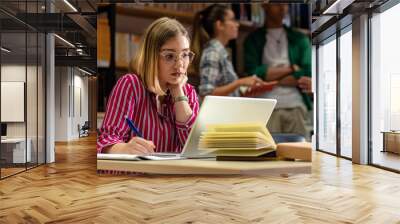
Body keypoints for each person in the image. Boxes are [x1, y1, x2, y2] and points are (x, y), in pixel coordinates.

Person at [97, 17, 199, 155]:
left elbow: (194, 148)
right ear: (151, 56)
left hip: (170, 175)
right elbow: (105, 140)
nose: (180, 64)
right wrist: (124, 149)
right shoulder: (130, 84)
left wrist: (177, 92)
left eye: (185, 55)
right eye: (169, 56)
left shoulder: (188, 92)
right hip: (131, 174)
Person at [244, 4, 312, 137]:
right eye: (278, 3)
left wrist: (269, 77)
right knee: (267, 155)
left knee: (300, 154)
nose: (283, 8)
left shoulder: (300, 39)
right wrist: (292, 69)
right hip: (265, 107)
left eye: (286, 3)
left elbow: (306, 73)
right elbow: (253, 73)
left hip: (295, 105)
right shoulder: (253, 39)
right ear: (265, 6)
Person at [191, 4, 263, 97]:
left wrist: (247, 89)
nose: (237, 24)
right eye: (232, 20)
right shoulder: (213, 53)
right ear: (219, 25)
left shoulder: (221, 53)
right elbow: (206, 93)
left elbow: (227, 91)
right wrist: (239, 82)